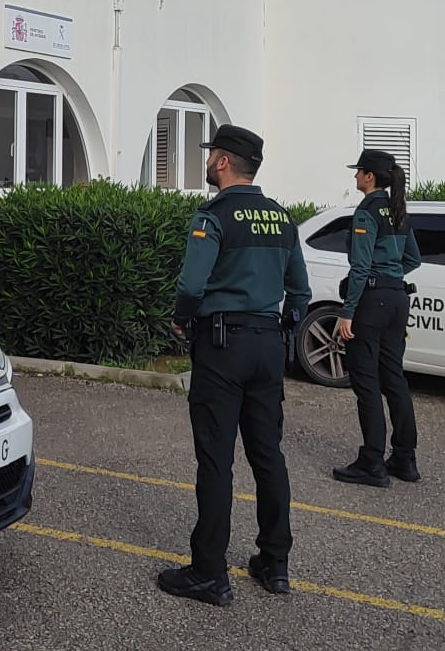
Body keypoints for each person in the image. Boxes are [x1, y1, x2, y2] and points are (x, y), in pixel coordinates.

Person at [157, 124, 311, 606]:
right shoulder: (282, 218)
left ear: (223, 162)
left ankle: (209, 573)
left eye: (211, 155)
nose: (208, 161)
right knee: (268, 455)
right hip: (268, 345)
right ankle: (275, 563)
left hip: (223, 346)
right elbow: (300, 290)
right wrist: (284, 330)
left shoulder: (214, 215)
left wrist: (182, 319)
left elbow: (191, 285)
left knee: (216, 459)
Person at [332, 148, 423, 488]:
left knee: (367, 383)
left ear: (369, 176)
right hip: (398, 299)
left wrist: (347, 312)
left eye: (358, 171)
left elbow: (360, 267)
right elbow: (413, 258)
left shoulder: (368, 211)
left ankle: (372, 462)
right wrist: (390, 275)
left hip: (372, 302)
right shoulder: (397, 208)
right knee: (394, 379)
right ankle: (405, 458)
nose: (355, 176)